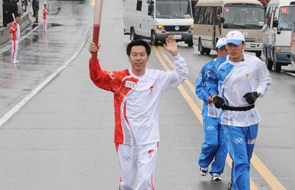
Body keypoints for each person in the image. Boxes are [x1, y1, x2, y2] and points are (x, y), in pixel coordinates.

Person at [88, 37, 188, 190]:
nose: (138, 58)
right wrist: (93, 57)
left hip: (149, 139)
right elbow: (97, 77)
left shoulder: (157, 78)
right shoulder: (119, 78)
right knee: (127, 184)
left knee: (145, 183)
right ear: (129, 57)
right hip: (125, 140)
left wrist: (176, 55)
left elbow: (181, 75)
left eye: (142, 54)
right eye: (134, 54)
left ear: (148, 57)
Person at [206, 30, 271, 190]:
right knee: (241, 161)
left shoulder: (254, 62)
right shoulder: (219, 64)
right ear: (226, 46)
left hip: (251, 118)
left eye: (236, 45)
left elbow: (265, 79)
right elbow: (210, 83)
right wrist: (214, 96)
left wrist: (257, 93)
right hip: (231, 118)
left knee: (244, 160)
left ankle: (235, 184)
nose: (233, 49)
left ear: (243, 45)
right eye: (229, 45)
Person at [195, 38, 228, 181]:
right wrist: (206, 97)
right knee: (212, 142)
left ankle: (216, 172)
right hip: (210, 113)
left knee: (223, 145)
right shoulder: (208, 67)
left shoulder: (233, 68)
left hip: (227, 114)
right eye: (222, 49)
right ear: (217, 50)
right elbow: (199, 86)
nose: (225, 52)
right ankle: (203, 163)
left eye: (228, 49)